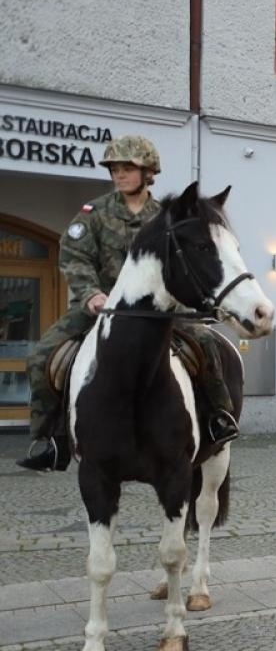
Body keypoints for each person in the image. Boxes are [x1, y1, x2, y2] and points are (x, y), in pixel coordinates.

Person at [17, 135, 240, 471]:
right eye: (115, 169)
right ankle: (52, 438)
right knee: (42, 355)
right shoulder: (93, 213)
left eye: (127, 168)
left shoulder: (166, 217)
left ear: (148, 171)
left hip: (163, 308)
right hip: (100, 306)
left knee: (208, 343)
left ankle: (218, 420)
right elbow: (74, 256)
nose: (119, 175)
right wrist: (91, 292)